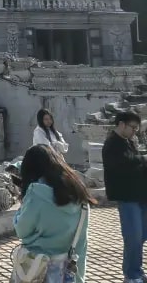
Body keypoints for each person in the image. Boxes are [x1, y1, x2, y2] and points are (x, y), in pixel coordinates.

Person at [11, 144, 93, 282]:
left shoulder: (35, 194)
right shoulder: (79, 195)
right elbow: (81, 244)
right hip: (63, 272)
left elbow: (22, 230)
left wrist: (20, 210)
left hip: (34, 269)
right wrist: (79, 279)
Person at [102, 110, 147, 283]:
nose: (135, 131)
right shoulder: (112, 144)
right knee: (133, 236)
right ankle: (131, 274)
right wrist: (144, 159)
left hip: (139, 195)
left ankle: (136, 269)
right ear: (121, 124)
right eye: (133, 127)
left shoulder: (128, 141)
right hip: (127, 197)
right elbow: (125, 164)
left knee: (141, 235)